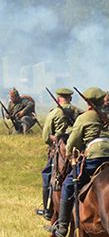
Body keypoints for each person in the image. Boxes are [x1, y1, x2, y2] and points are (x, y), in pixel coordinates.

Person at [52, 87, 109, 237]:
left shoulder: (84, 118)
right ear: (103, 100)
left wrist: (69, 154)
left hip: (96, 156)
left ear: (87, 102)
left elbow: (73, 142)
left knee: (68, 184)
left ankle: (62, 226)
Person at [36, 88, 82, 220]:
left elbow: (45, 137)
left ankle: (47, 210)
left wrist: (54, 137)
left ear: (58, 99)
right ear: (70, 98)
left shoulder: (54, 112)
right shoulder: (78, 112)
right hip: (76, 151)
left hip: (59, 151)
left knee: (47, 175)